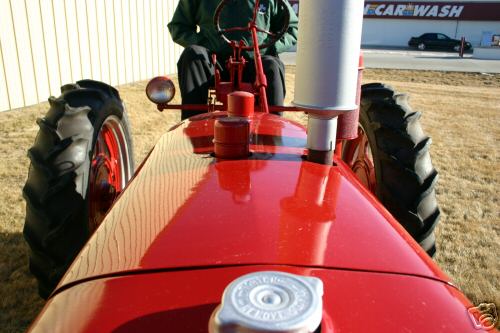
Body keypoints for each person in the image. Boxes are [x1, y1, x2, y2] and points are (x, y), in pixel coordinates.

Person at [167, 0, 299, 119]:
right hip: (214, 61)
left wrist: (270, 47)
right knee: (192, 55)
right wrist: (204, 44)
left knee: (272, 65)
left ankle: (273, 126)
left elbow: (292, 28)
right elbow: (178, 27)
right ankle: (193, 122)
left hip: (255, 61)